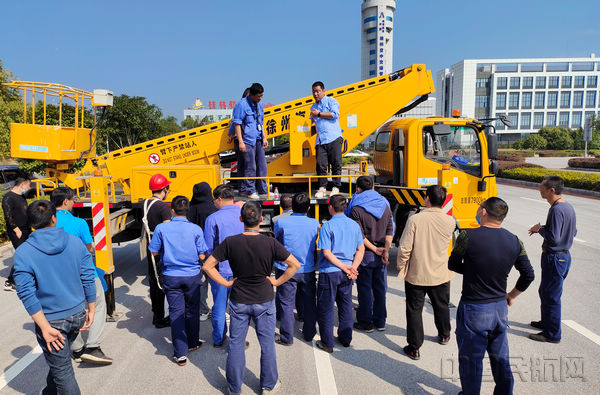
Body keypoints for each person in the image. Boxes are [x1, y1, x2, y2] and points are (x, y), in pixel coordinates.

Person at [203, 201, 300, 394]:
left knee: (236, 344)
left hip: (239, 299)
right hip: (264, 298)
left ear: (241, 220)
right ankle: (268, 385)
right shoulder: (270, 242)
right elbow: (294, 265)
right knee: (267, 344)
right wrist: (276, 282)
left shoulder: (231, 242)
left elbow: (207, 266)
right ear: (261, 219)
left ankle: (234, 388)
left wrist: (226, 283)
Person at [449, 197, 534, 395]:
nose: (478, 211)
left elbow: (452, 264)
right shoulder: (514, 240)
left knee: (471, 359)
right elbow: (528, 274)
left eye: (480, 208)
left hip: (474, 309)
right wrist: (512, 295)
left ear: (484, 211)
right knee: (500, 357)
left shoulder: (467, 236)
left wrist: (473, 271)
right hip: (499, 308)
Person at [14, 200, 96, 394]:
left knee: (63, 371)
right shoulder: (75, 242)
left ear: (31, 223)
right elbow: (88, 276)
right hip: (77, 314)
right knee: (60, 363)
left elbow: (26, 293)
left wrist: (44, 327)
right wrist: (91, 308)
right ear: (54, 218)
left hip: (51, 321)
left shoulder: (24, 252)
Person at [50, 187, 112, 365]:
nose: (74, 202)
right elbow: (89, 249)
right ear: (65, 202)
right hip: (83, 272)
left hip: (59, 275)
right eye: (72, 199)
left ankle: (76, 349)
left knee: (72, 308)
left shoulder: (47, 223)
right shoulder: (79, 223)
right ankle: (93, 346)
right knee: (99, 304)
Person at [396, 185, 456, 360]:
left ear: (427, 199)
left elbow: (405, 247)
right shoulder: (449, 220)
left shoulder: (415, 220)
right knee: (441, 305)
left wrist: (401, 266)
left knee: (415, 310)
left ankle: (414, 347)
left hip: (417, 273)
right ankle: (444, 334)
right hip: (441, 272)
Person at [149, 196, 208, 366]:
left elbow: (153, 252)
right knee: (192, 310)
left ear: (172, 211)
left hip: (171, 276)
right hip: (192, 276)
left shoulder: (161, 228)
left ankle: (180, 354)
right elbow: (202, 255)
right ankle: (193, 342)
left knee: (176, 312)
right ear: (187, 211)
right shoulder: (196, 229)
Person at [528, 176, 577, 344]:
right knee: (546, 291)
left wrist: (540, 229)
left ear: (552, 190)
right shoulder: (567, 207)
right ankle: (547, 322)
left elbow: (554, 238)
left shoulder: (557, 210)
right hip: (563, 257)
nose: (539, 190)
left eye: (542, 188)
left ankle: (552, 334)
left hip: (555, 257)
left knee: (552, 295)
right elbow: (573, 231)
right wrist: (544, 228)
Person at [315, 195, 365, 353]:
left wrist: (344, 267)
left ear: (330, 207)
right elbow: (361, 249)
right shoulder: (354, 225)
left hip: (330, 272)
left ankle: (327, 343)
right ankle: (345, 339)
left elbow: (327, 253)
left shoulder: (327, 226)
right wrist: (353, 267)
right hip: (348, 272)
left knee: (326, 308)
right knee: (345, 306)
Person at [347, 176, 393, 333]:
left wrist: (374, 249)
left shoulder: (356, 209)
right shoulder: (385, 205)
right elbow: (389, 229)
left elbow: (359, 235)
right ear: (373, 187)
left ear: (358, 189)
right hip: (381, 254)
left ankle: (366, 322)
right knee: (380, 289)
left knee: (365, 288)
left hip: (365, 254)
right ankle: (380, 321)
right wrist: (385, 249)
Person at [273, 192, 319, 345]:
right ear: (308, 207)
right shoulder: (314, 223)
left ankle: (287, 337)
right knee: (310, 301)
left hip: (286, 268)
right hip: (308, 269)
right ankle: (309, 333)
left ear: (292, 206)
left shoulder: (281, 223)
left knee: (286, 304)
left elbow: (277, 243)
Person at [203, 184, 244, 347]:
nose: (214, 204)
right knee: (239, 308)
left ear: (220, 199)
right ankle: (238, 340)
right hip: (241, 269)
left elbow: (208, 249)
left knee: (219, 307)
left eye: (214, 201)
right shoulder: (243, 214)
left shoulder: (213, 218)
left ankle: (219, 339)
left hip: (220, 270)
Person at [141, 173, 172, 328]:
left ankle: (156, 313)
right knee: (162, 282)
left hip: (150, 245)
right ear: (164, 189)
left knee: (153, 280)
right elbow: (167, 230)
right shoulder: (163, 207)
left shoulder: (145, 203)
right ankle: (161, 318)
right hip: (160, 248)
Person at [187, 182, 218, 322]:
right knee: (217, 282)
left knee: (201, 282)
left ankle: (203, 311)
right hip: (214, 252)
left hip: (196, 252)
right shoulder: (213, 208)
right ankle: (219, 310)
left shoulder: (190, 208)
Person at [232, 83, 268, 199]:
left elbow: (261, 122)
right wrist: (241, 142)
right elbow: (237, 124)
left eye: (262, 96)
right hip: (247, 140)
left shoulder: (259, 105)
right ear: (252, 95)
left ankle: (263, 190)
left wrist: (264, 137)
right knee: (250, 166)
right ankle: (249, 190)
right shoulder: (241, 105)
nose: (260, 98)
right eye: (258, 96)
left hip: (258, 139)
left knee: (262, 165)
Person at [311, 81, 343, 199]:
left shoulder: (331, 101)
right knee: (320, 165)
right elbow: (313, 125)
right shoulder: (313, 107)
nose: (316, 94)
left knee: (336, 163)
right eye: (314, 91)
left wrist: (319, 114)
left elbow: (334, 115)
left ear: (324, 91)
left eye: (318, 91)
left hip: (333, 137)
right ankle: (322, 188)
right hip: (320, 140)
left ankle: (335, 187)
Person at [2, 177, 31, 291]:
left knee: (27, 254)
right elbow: (8, 216)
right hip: (16, 232)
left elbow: (25, 211)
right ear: (22, 185)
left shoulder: (21, 196)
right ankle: (10, 281)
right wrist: (16, 229)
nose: (29, 188)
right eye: (28, 186)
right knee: (21, 255)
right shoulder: (8, 197)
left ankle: (25, 277)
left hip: (26, 229)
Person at [227, 87, 251, 180]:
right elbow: (235, 122)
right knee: (243, 164)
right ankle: (243, 185)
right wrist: (231, 134)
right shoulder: (240, 106)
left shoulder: (252, 107)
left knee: (248, 164)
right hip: (240, 139)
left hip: (248, 139)